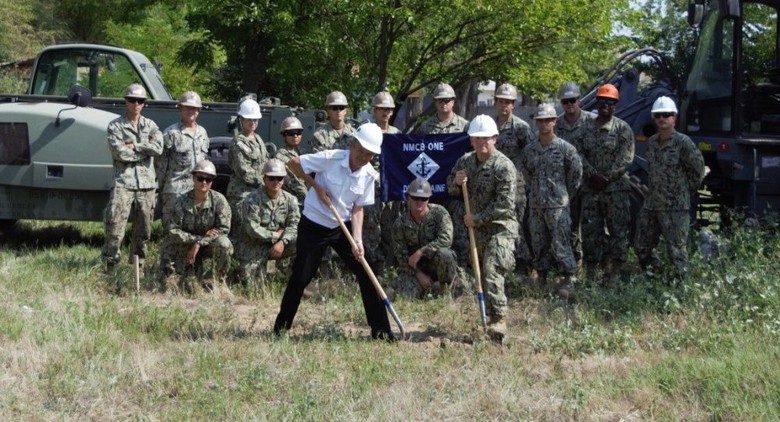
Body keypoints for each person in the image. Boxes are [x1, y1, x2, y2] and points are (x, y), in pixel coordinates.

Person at [274, 123, 395, 341]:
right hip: (314, 224)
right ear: (352, 145)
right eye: (361, 151)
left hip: (342, 228)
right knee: (301, 277)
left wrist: (357, 240)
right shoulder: (330, 158)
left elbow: (358, 208)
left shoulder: (368, 175)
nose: (364, 157)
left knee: (368, 272)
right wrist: (316, 186)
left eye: (369, 154)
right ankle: (280, 329)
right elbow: (294, 163)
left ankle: (381, 333)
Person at [447, 114, 517, 343]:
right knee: (482, 276)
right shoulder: (465, 162)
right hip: (477, 230)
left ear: (495, 138)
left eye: (486, 138)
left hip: (500, 227)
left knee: (491, 267)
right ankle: (487, 318)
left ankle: (499, 320)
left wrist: (476, 219)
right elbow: (450, 189)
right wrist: (456, 182)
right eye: (477, 138)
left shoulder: (504, 166)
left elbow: (505, 205)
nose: (481, 142)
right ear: (471, 141)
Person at [634, 96, 705, 275]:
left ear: (674, 117)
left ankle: (682, 289)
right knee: (641, 245)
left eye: (666, 114)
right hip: (652, 204)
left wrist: (683, 191)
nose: (662, 118)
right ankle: (654, 276)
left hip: (675, 207)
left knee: (677, 252)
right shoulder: (651, 143)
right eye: (658, 115)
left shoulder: (683, 143)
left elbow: (697, 171)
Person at [520, 104, 582, 298]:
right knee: (539, 243)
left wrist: (563, 195)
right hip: (537, 205)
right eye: (540, 120)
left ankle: (567, 278)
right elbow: (526, 174)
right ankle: (541, 276)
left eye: (548, 120)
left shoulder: (565, 149)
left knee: (561, 242)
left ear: (554, 122)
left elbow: (576, 175)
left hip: (558, 206)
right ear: (536, 122)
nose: (544, 124)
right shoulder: (530, 150)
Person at [577, 84, 635, 286]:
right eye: (602, 101)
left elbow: (626, 157)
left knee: (618, 231)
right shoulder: (585, 128)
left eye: (609, 102)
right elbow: (579, 154)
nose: (605, 105)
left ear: (615, 105)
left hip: (616, 190)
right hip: (591, 189)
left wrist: (607, 177)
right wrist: (592, 175)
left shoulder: (623, 129)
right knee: (591, 232)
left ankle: (614, 273)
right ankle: (592, 273)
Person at [101, 83, 162, 272]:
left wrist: (134, 145)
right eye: (132, 100)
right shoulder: (116, 126)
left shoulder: (151, 125)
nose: (136, 104)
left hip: (146, 186)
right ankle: (110, 266)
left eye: (140, 101)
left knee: (143, 230)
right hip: (123, 184)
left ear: (144, 103)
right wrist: (145, 149)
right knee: (115, 227)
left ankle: (138, 267)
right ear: (126, 101)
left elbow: (158, 148)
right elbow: (119, 153)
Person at [415, 83, 470, 268]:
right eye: (439, 101)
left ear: (453, 101)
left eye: (447, 100)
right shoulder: (425, 127)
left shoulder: (465, 126)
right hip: (433, 191)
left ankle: (461, 271)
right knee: (433, 232)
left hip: (456, 191)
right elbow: (415, 152)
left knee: (459, 233)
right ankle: (432, 269)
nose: (443, 104)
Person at [156, 91, 210, 276]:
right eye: (187, 107)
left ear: (199, 111)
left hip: (196, 191)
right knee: (172, 232)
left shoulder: (203, 133)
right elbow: (161, 165)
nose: (191, 111)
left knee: (193, 231)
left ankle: (188, 270)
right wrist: (161, 189)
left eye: (194, 108)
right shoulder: (171, 134)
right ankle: (165, 272)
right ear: (180, 108)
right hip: (175, 190)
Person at [163, 159, 233, 295]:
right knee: (182, 286)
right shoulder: (181, 201)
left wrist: (200, 243)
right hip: (185, 245)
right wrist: (197, 240)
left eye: (208, 179)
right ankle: (177, 276)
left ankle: (220, 281)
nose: (204, 182)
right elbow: (173, 230)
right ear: (193, 178)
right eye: (200, 178)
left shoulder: (219, 201)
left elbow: (224, 229)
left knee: (225, 244)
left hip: (208, 245)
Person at [389, 178, 462, 299]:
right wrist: (419, 275)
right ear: (408, 198)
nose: (419, 202)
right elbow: (401, 256)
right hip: (417, 269)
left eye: (423, 199)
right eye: (415, 198)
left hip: (439, 267)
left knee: (446, 254)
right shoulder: (400, 223)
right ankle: (427, 289)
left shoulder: (440, 213)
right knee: (407, 296)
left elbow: (446, 240)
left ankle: (445, 288)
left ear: (428, 199)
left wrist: (421, 252)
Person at [234, 159, 300, 291]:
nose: (276, 182)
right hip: (255, 245)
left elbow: (294, 225)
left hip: (281, 245)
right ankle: (238, 272)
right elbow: (252, 228)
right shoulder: (252, 199)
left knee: (303, 241)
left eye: (279, 178)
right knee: (250, 284)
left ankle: (285, 270)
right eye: (272, 178)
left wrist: (282, 242)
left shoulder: (290, 200)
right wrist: (276, 236)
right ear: (264, 179)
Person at [493, 83, 533, 275]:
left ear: (513, 104)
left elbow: (531, 155)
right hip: (492, 187)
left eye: (508, 102)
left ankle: (522, 264)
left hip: (515, 188)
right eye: (501, 101)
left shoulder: (521, 128)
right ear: (495, 102)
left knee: (516, 225)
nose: (504, 106)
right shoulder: (489, 127)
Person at [554, 82, 595, 268]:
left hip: (590, 184)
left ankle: (593, 265)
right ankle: (574, 263)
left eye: (573, 100)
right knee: (569, 225)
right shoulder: (557, 125)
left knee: (590, 225)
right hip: (565, 185)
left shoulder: (591, 122)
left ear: (579, 100)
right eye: (565, 101)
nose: (569, 104)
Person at [226, 98, 269, 229]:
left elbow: (265, 162)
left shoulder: (258, 138)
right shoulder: (239, 143)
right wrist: (267, 181)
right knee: (242, 233)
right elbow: (244, 171)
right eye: (249, 119)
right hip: (242, 195)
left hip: (258, 193)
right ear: (241, 120)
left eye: (255, 119)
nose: (252, 122)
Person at [275, 116, 308, 204]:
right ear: (284, 135)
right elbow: (292, 181)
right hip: (291, 201)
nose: (295, 136)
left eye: (298, 132)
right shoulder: (280, 156)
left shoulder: (303, 152)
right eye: (291, 133)